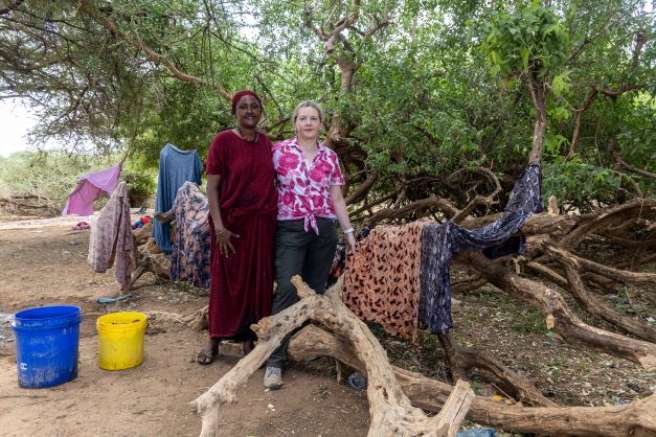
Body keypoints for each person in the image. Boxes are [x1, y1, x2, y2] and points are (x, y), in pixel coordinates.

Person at [264, 101, 356, 389]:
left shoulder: (329, 157)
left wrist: (349, 232)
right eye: (302, 118)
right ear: (294, 122)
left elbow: (337, 198)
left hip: (324, 230)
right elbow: (263, 186)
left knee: (314, 290)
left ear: (321, 123)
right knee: (288, 289)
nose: (307, 123)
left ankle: (301, 345)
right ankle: (274, 360)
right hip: (290, 227)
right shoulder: (278, 152)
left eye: (313, 118)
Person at [197, 90, 277, 364]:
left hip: (261, 225)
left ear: (260, 111)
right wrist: (219, 226)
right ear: (235, 112)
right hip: (230, 227)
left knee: (257, 284)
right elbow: (212, 188)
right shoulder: (222, 142)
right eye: (243, 107)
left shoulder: (267, 144)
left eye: (254, 107)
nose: (250, 111)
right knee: (225, 284)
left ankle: (248, 340)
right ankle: (214, 339)